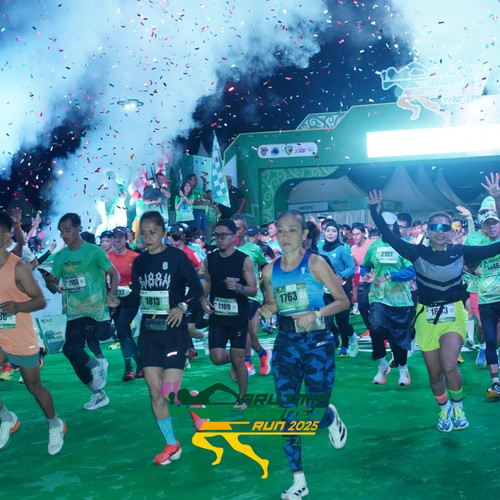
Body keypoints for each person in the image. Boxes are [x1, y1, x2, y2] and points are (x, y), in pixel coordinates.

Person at [368, 188, 500, 431]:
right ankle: (444, 409)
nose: (440, 231)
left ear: (451, 230)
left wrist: (498, 200)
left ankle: (458, 407)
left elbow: (496, 246)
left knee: (449, 365)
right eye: (435, 227)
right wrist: (374, 212)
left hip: (453, 315)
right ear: (428, 231)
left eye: (445, 227)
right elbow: (389, 236)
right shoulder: (416, 252)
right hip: (425, 318)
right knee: (435, 373)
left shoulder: (461, 252)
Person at [260, 210, 349, 499]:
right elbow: (273, 303)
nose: (285, 236)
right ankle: (298, 480)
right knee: (288, 414)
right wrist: (267, 309)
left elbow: (343, 301)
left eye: (292, 230)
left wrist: (317, 313)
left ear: (304, 234)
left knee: (312, 414)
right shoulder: (269, 271)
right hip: (286, 344)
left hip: (317, 343)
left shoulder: (315, 263)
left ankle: (329, 417)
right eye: (280, 230)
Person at [130, 210, 206, 465]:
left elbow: (196, 289)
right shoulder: (140, 262)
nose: (148, 238)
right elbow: (137, 295)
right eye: (144, 233)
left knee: (169, 393)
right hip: (149, 334)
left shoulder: (177, 258)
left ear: (163, 232)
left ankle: (193, 401)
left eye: (153, 232)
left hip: (174, 332)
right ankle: (172, 444)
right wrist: (117, 299)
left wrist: (181, 307)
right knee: (155, 393)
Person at [0, 211, 66, 455]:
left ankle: (55, 424)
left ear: (7, 236)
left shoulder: (18, 267)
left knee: (33, 385)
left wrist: (18, 307)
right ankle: (7, 418)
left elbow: (40, 300)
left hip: (21, 336)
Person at [47, 213, 120, 410]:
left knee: (70, 349)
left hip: (94, 310)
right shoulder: (60, 257)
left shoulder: (94, 252)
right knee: (72, 355)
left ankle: (97, 364)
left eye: (68, 230)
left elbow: (114, 274)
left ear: (79, 228)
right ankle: (98, 394)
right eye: (61, 232)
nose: (64, 235)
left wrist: (111, 294)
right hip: (73, 312)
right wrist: (50, 282)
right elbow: (54, 287)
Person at [203, 219, 257, 409]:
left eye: (224, 235)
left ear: (234, 237)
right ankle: (235, 360)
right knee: (217, 358)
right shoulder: (210, 259)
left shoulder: (244, 260)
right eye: (216, 236)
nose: (219, 239)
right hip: (217, 316)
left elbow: (253, 290)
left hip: (238, 317)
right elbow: (207, 282)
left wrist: (239, 287)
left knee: (238, 358)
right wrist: (202, 299)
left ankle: (242, 397)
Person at [361, 211, 415, 386]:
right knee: (375, 328)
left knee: (399, 337)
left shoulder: (403, 246)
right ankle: (382, 365)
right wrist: (365, 274)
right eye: (382, 225)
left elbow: (411, 271)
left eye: (390, 225)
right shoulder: (374, 246)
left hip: (401, 299)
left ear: (394, 227)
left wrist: (389, 276)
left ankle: (403, 369)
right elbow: (365, 265)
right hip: (378, 297)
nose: (386, 228)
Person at [231, 215, 272, 376]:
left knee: (241, 326)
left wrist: (265, 287)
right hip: (232, 296)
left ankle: (247, 362)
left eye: (238, 228)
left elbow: (266, 266)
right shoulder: (223, 248)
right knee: (249, 331)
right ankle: (263, 354)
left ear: (245, 230)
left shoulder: (254, 249)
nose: (235, 231)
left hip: (252, 296)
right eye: (232, 228)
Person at [107, 227, 142, 381]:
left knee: (121, 329)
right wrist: (109, 296)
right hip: (115, 299)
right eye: (114, 237)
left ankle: (135, 366)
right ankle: (133, 367)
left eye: (120, 237)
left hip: (131, 298)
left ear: (126, 239)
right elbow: (104, 278)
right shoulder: (107, 257)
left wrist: (133, 291)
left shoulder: (135, 257)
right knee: (123, 333)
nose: (116, 240)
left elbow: (140, 279)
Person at [318, 220, 358, 358]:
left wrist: (340, 275)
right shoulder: (319, 248)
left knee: (343, 323)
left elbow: (351, 268)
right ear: (323, 232)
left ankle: (349, 340)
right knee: (326, 321)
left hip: (341, 291)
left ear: (338, 233)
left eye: (334, 231)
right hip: (324, 291)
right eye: (328, 231)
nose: (330, 234)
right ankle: (334, 337)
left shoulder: (342, 249)